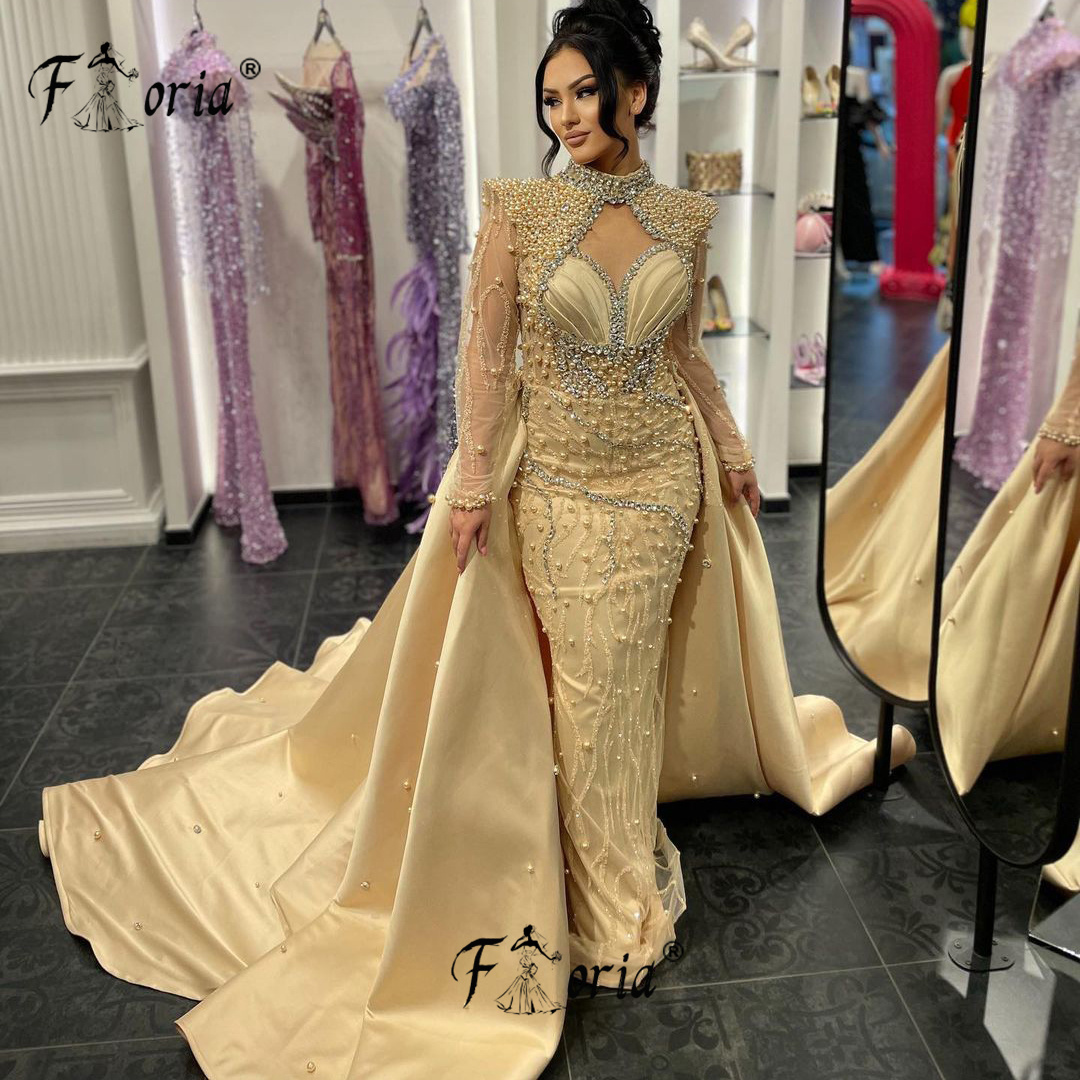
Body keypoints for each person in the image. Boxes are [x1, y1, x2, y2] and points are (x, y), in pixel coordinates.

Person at [37, 3, 912, 1076]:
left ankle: (611, 874)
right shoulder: (518, 210)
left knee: (624, 684)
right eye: (552, 98)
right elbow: (484, 358)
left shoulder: (686, 216)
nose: (567, 115)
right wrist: (473, 487)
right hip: (558, 489)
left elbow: (686, 353)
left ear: (636, 92)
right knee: (586, 685)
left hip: (659, 486)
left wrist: (729, 447)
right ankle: (608, 901)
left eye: (585, 91)